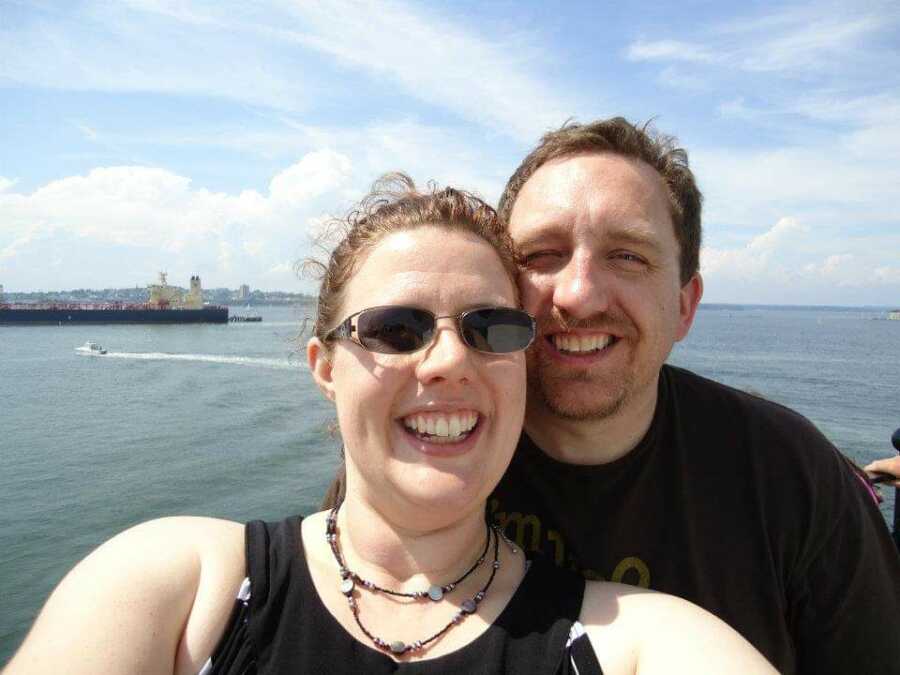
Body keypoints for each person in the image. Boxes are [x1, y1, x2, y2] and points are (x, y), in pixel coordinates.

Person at [4, 175, 775, 675]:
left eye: (490, 327)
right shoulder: (181, 590)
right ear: (324, 364)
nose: (445, 361)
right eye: (396, 328)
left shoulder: (627, 643)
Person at [486, 118, 900, 675]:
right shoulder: (436, 460)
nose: (579, 294)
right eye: (540, 254)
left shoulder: (789, 476)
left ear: (685, 305)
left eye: (628, 256)